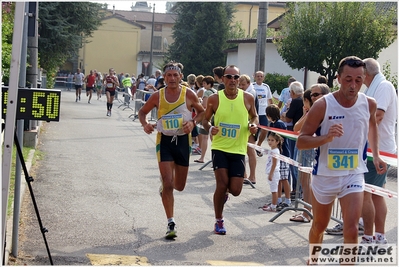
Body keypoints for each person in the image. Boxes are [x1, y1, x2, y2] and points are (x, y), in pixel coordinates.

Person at [297, 56, 386, 249]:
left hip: (353, 174)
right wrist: (326, 138)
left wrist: (376, 154)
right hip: (325, 175)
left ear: (364, 79)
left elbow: (372, 127)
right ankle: (313, 260)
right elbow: (301, 141)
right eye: (348, 80)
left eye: (358, 80)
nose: (353, 85)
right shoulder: (323, 105)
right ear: (338, 78)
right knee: (320, 226)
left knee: (352, 228)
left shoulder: (369, 103)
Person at [138, 62, 205, 239]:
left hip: (183, 141)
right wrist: (145, 125)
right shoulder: (157, 96)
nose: (172, 78)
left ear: (181, 77)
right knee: (168, 183)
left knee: (179, 186)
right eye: (169, 75)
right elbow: (142, 112)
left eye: (176, 75)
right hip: (165, 141)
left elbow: (202, 112)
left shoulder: (188, 94)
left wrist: (192, 122)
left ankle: (166, 189)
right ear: (164, 77)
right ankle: (170, 222)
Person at [202, 65, 259, 235]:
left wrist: (253, 124)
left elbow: (254, 115)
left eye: (236, 77)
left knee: (235, 190)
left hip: (239, 149)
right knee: (221, 184)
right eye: (229, 77)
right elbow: (205, 120)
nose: (233, 80)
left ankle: (225, 194)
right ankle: (219, 220)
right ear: (223, 79)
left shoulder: (248, 98)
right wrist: (210, 127)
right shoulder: (214, 99)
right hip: (220, 147)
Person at [360, 58, 397, 244]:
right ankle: (377, 235)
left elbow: (378, 116)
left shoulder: (382, 86)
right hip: (372, 149)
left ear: (365, 72)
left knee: (368, 192)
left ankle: (372, 235)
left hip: (378, 150)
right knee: (374, 193)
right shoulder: (373, 87)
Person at [289, 89, 315, 223]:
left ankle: (307, 212)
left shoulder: (312, 112)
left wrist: (305, 114)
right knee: (306, 181)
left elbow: (296, 127)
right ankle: (307, 211)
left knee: (306, 181)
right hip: (310, 147)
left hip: (308, 148)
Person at [265, 104, 291, 211]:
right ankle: (278, 199)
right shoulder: (273, 124)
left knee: (284, 178)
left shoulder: (279, 124)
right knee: (279, 179)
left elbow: (282, 139)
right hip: (278, 154)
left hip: (283, 154)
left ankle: (288, 200)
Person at [281, 81, 304, 194]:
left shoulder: (295, 101)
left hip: (295, 133)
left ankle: (297, 188)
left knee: (294, 162)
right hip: (301, 133)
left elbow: (288, 118)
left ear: (293, 92)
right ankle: (298, 188)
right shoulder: (303, 99)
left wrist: (284, 114)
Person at [239, 74, 259, 185]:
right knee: (244, 149)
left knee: (250, 150)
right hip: (244, 124)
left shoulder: (251, 93)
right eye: (240, 84)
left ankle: (252, 176)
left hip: (251, 124)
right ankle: (245, 175)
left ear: (248, 83)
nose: (241, 86)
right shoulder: (246, 92)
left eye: (243, 84)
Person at [194, 76, 217, 164]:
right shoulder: (215, 91)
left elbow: (204, 106)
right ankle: (214, 158)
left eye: (204, 83)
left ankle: (202, 157)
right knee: (213, 139)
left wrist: (199, 101)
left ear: (208, 84)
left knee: (204, 138)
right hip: (214, 117)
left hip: (207, 117)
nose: (203, 85)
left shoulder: (207, 92)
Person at [253, 71, 273, 156]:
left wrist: (272, 109)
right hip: (254, 112)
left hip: (263, 112)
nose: (259, 78)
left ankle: (258, 146)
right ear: (255, 77)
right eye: (258, 76)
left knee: (264, 130)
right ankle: (252, 146)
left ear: (263, 78)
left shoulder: (266, 86)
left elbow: (270, 99)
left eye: (261, 76)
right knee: (254, 131)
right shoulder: (252, 86)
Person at [262, 132, 283, 212]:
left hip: (274, 173)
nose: (270, 142)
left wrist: (271, 174)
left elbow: (274, 164)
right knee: (273, 190)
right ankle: (273, 204)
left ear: (277, 142)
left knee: (274, 191)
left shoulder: (275, 151)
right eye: (269, 140)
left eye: (272, 140)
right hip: (272, 172)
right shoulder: (273, 150)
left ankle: (273, 206)